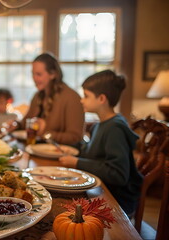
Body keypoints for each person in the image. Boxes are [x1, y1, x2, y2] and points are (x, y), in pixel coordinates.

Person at [58, 70, 143, 216]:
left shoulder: (115, 128)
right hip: (100, 189)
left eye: (86, 96)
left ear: (102, 98)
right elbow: (92, 152)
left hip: (116, 200)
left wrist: (77, 162)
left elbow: (118, 174)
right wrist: (72, 149)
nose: (81, 100)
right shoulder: (100, 125)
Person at [19, 52, 84, 145]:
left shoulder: (72, 98)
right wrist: (15, 124)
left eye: (39, 74)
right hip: (35, 150)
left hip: (60, 156)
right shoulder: (37, 96)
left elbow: (75, 137)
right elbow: (25, 123)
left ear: (53, 74)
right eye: (33, 74)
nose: (34, 78)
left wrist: (45, 132)